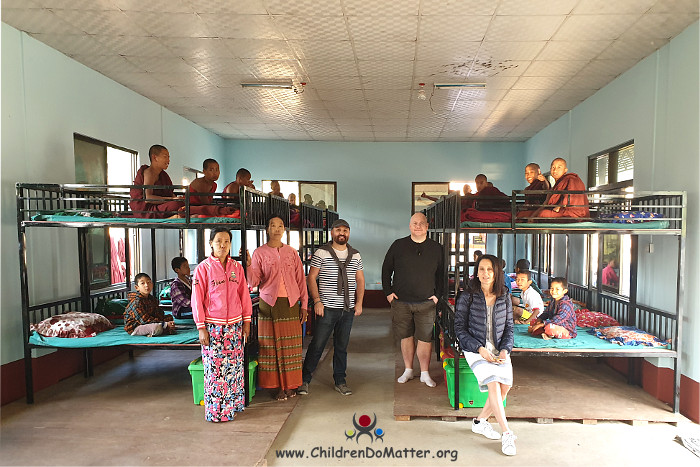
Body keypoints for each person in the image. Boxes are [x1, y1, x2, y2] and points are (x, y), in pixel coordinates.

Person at [454, 254, 516, 456]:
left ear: (497, 272)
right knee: (493, 383)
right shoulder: (467, 296)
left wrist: (505, 350)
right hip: (475, 349)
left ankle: (479, 422)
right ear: (476, 272)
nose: (486, 273)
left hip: (499, 349)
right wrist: (479, 348)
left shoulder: (504, 295)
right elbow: (459, 329)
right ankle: (507, 433)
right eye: (482, 269)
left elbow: (509, 327)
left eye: (490, 269)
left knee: (504, 387)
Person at [192, 227, 253, 422]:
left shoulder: (237, 267)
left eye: (227, 241)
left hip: (235, 326)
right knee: (215, 370)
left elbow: (244, 295)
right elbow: (197, 300)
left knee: (234, 369)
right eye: (218, 240)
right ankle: (217, 413)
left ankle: (233, 407)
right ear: (211, 243)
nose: (223, 245)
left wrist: (246, 322)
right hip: (213, 327)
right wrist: (201, 327)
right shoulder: (203, 268)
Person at [298, 219, 364, 397]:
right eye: (338, 230)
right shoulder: (322, 252)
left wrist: (359, 303)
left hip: (347, 308)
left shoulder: (355, 255)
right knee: (318, 344)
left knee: (342, 346)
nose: (342, 233)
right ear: (332, 232)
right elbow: (311, 278)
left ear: (349, 233)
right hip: (326, 308)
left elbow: (360, 280)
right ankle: (304, 379)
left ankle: (340, 380)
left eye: (345, 230)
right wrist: (317, 301)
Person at [247, 216, 308, 401]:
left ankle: (290, 385)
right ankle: (277, 387)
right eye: (273, 225)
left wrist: (304, 305)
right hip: (269, 304)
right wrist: (249, 265)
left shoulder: (292, 252)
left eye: (280, 226)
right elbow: (253, 282)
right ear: (267, 229)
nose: (277, 229)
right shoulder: (259, 253)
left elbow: (301, 280)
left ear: (284, 229)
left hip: (290, 304)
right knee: (271, 348)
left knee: (291, 348)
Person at [382, 212, 444, 388]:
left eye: (421, 223)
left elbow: (441, 275)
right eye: (414, 223)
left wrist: (438, 295)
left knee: (425, 338)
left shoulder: (436, 248)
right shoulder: (398, 245)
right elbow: (386, 269)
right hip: (401, 301)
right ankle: (408, 370)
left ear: (427, 227)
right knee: (405, 336)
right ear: (409, 226)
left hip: (427, 302)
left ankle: (425, 373)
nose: (418, 226)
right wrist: (388, 292)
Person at [129, 145, 184, 218]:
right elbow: (148, 198)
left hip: (159, 206)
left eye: (168, 157)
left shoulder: (163, 175)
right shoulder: (149, 173)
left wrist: (177, 199)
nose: (168, 160)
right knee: (177, 205)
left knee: (183, 203)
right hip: (147, 210)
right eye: (165, 157)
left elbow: (169, 193)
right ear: (155, 157)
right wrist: (173, 200)